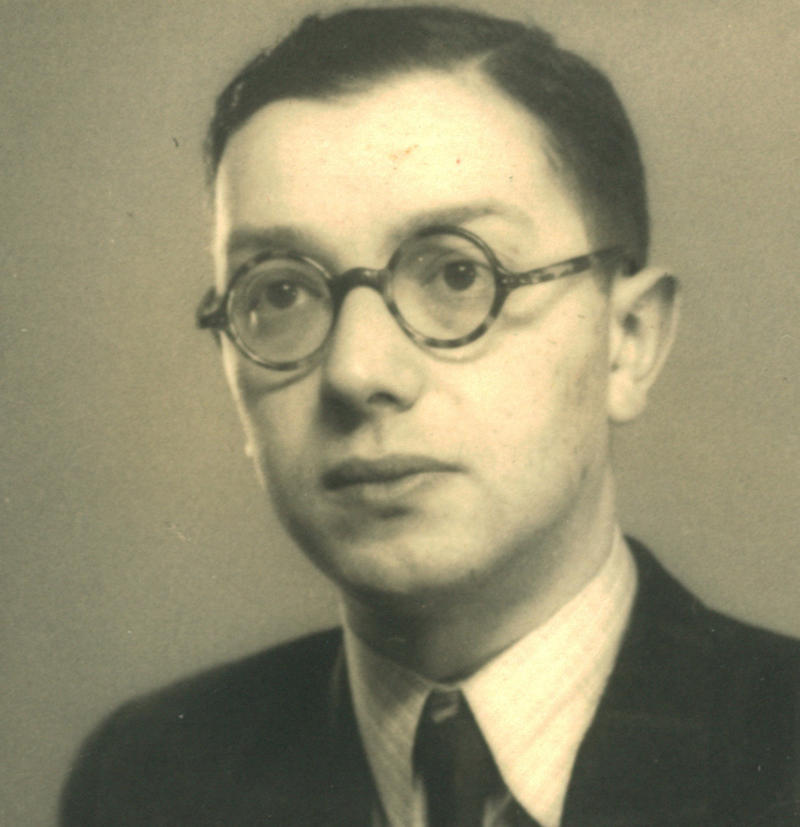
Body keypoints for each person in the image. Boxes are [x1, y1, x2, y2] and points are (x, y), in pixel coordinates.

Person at [60, 5, 800, 826]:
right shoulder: (143, 779)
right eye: (282, 291)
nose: (357, 371)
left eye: (456, 274)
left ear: (626, 342)